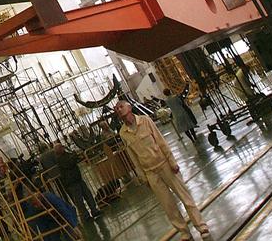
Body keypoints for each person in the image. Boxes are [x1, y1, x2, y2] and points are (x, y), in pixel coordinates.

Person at [114, 100, 212, 241]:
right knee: (168, 206)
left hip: (165, 165)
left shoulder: (145, 121)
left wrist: (172, 161)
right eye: (116, 108)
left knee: (185, 197)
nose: (118, 109)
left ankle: (201, 227)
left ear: (129, 107)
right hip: (151, 173)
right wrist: (143, 177)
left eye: (121, 106)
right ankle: (184, 233)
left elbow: (161, 141)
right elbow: (133, 156)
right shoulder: (123, 133)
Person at [53, 143, 100, 220]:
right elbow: (69, 164)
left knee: (88, 195)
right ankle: (86, 215)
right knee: (79, 201)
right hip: (72, 182)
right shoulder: (59, 159)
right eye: (61, 147)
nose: (63, 148)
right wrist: (74, 156)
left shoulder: (67, 154)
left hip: (77, 179)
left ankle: (94, 210)